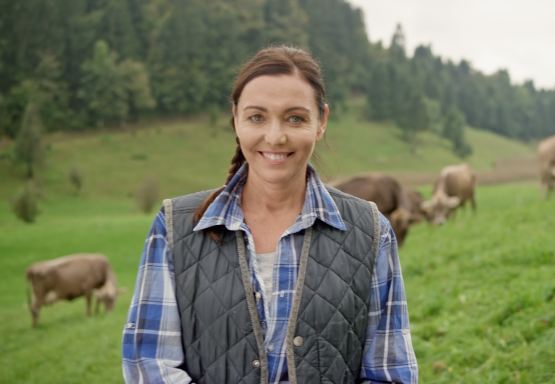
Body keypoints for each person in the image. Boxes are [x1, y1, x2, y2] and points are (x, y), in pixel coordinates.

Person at [122, 46, 418, 384]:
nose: (275, 137)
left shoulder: (371, 231)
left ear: (321, 121)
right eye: (257, 117)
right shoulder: (173, 226)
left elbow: (390, 373)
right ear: (235, 119)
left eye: (295, 118)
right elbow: (150, 366)